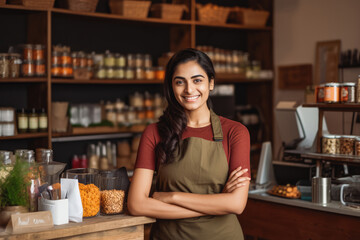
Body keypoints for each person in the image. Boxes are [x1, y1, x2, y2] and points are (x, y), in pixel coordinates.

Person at [128, 48, 251, 240]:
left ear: (211, 83)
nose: (189, 90)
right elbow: (136, 205)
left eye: (197, 80)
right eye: (180, 82)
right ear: (171, 86)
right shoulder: (154, 133)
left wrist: (172, 197)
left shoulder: (235, 132)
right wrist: (216, 205)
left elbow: (236, 204)